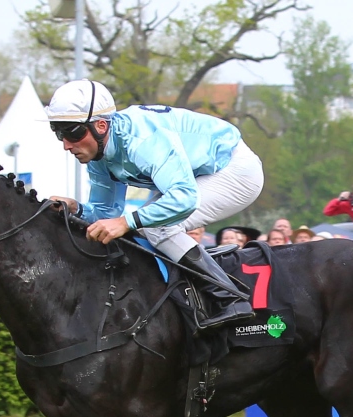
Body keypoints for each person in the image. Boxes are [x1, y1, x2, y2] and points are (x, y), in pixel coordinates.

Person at [44, 80, 264, 329]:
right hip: (200, 176)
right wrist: (76, 209)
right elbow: (107, 214)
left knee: (158, 227)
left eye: (72, 132)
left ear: (101, 125)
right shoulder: (99, 154)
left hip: (235, 171)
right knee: (146, 225)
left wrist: (127, 221)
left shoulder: (143, 140)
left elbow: (183, 198)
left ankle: (230, 298)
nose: (66, 144)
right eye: (59, 132)